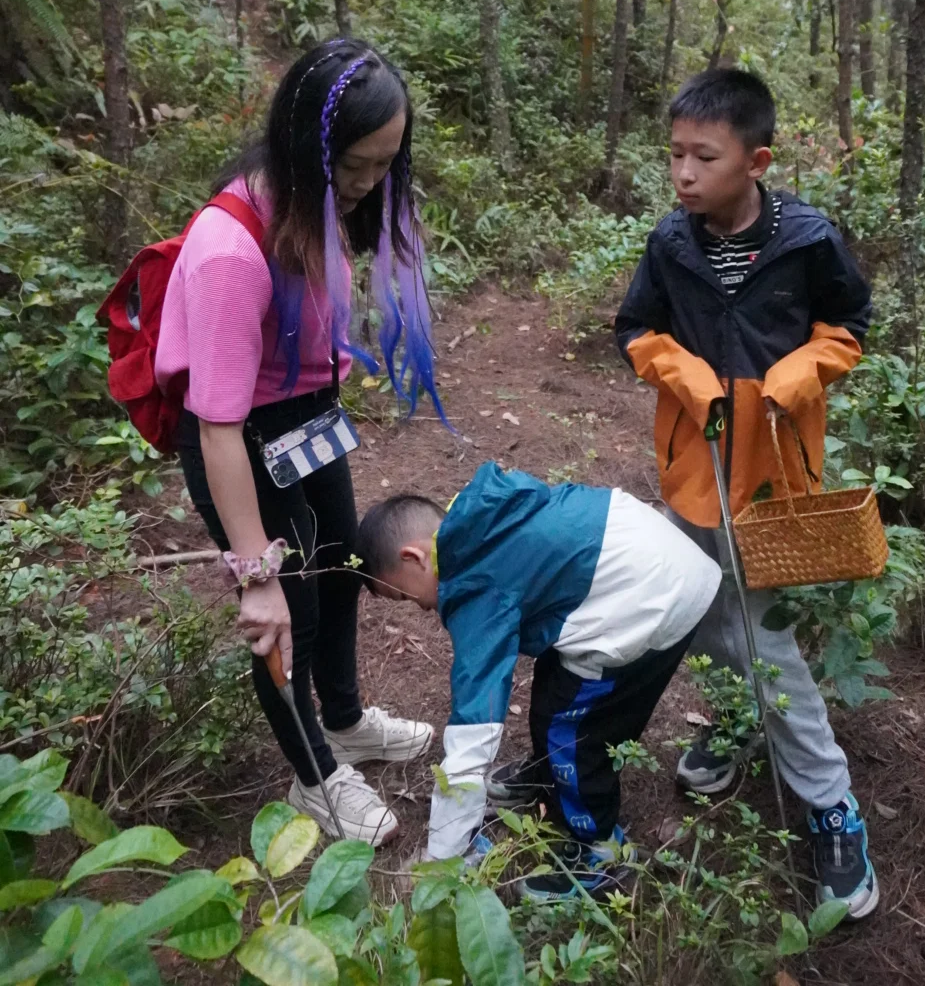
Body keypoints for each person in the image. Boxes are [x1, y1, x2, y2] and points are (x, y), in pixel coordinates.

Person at [156, 38, 441, 845]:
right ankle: (314, 775)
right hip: (239, 442)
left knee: (344, 565)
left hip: (306, 419)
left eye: (386, 164)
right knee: (290, 613)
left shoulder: (318, 209)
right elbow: (216, 425)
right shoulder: (228, 253)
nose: (368, 184)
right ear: (305, 144)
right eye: (356, 163)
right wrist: (254, 574)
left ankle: (344, 722)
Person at [614, 66, 878, 919]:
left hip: (773, 475)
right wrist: (684, 374)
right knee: (698, 608)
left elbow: (850, 325)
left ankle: (833, 804)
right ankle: (738, 725)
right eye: (675, 155)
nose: (684, 174)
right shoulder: (671, 242)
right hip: (695, 469)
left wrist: (803, 370)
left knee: (762, 636)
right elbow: (636, 328)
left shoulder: (806, 240)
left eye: (705, 157)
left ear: (755, 160)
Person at [355, 461, 721, 902]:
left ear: (413, 558)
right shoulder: (478, 518)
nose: (417, 609)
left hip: (651, 602)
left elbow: (474, 730)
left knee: (575, 734)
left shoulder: (478, 587)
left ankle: (600, 855)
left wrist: (443, 856)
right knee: (554, 691)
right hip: (658, 564)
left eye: (402, 595)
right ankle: (550, 776)